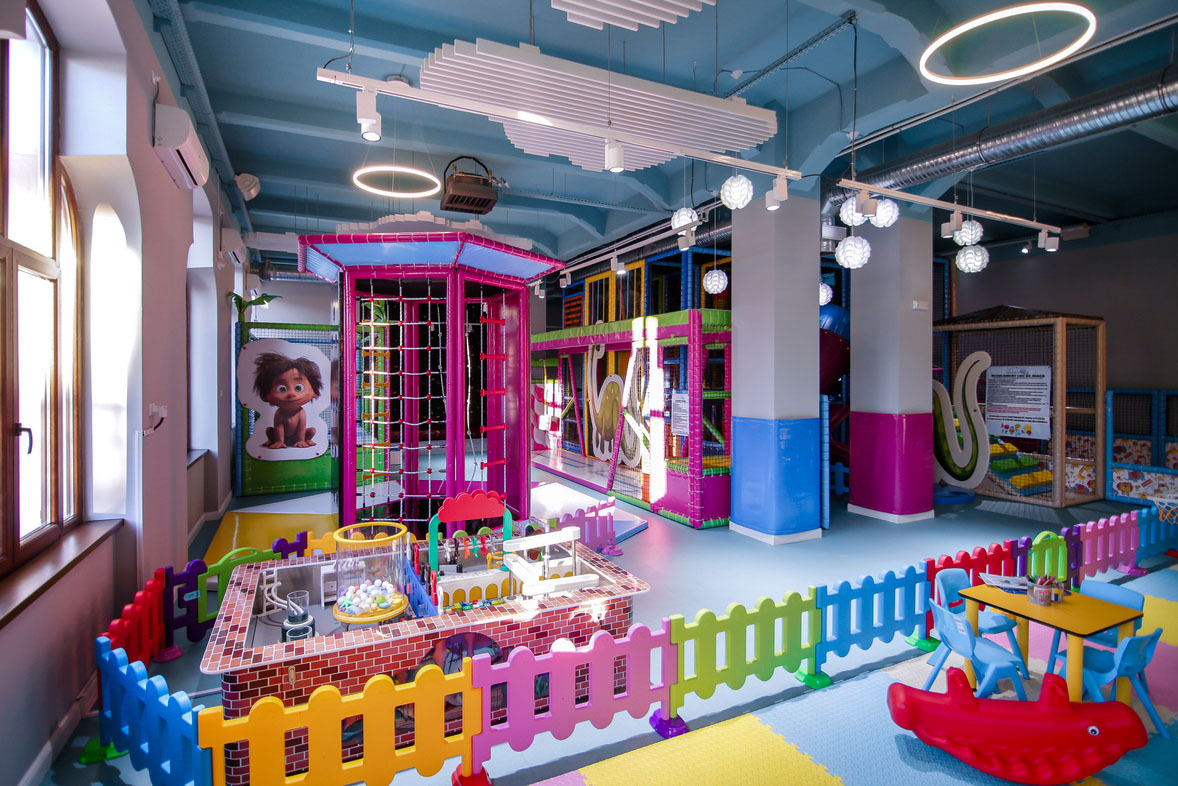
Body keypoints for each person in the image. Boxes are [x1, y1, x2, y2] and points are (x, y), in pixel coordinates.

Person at [253, 352, 323, 448]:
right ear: (264, 395)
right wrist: (279, 441)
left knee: (311, 431)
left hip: (296, 437)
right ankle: (273, 440)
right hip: (281, 436)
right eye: (282, 389)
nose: (291, 394)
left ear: (315, 391)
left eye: (298, 388)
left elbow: (301, 428)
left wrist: (301, 440)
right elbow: (279, 427)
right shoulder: (279, 413)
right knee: (270, 431)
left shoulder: (301, 413)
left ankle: (306, 440)